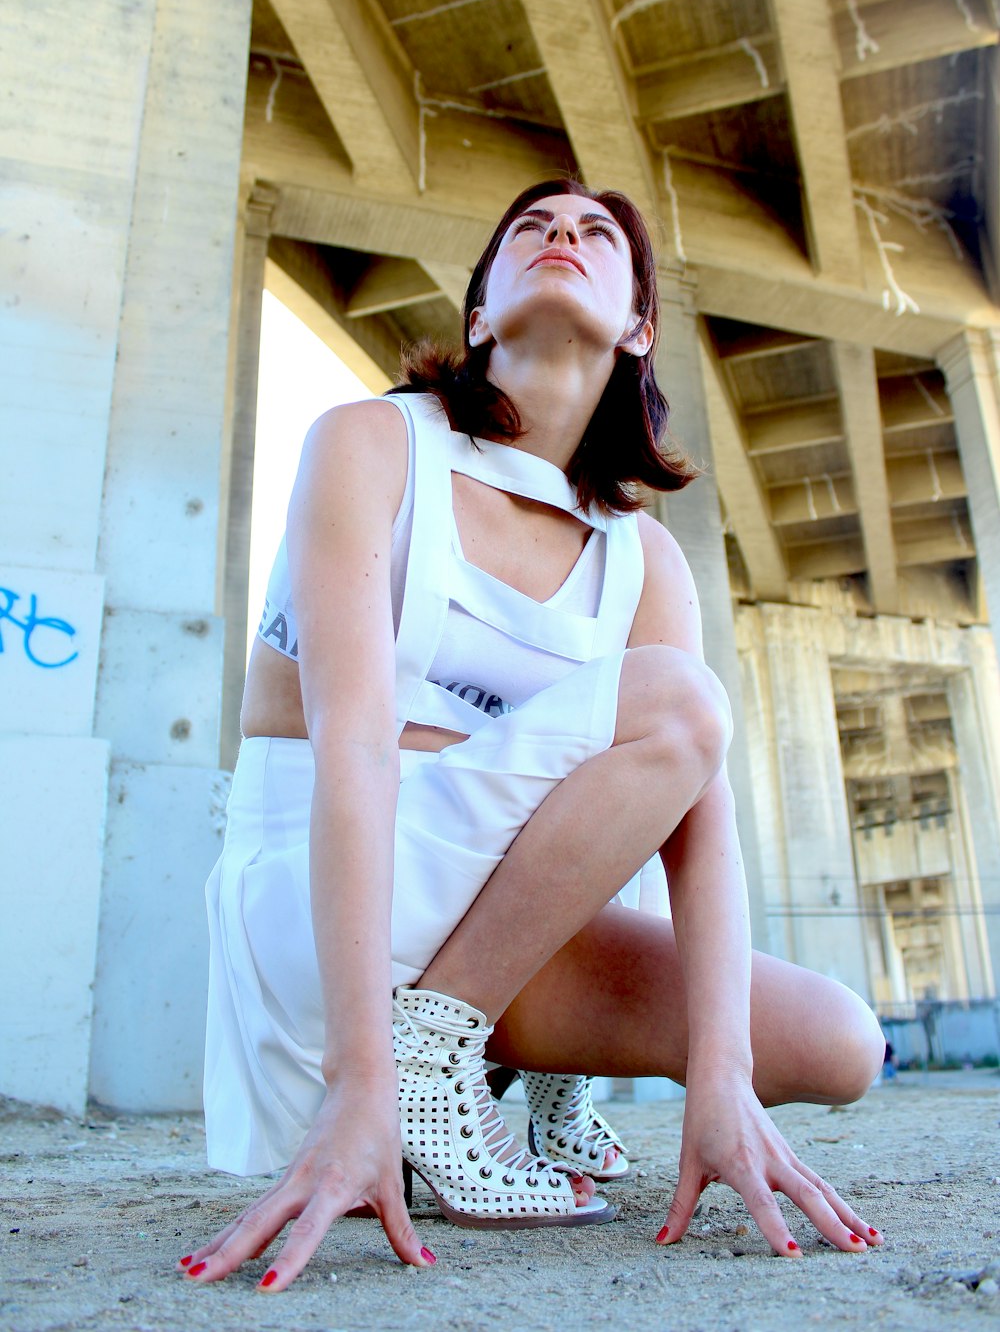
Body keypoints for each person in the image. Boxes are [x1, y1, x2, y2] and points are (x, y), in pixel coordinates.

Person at [181, 180, 886, 1292]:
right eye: (531, 228)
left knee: (840, 1043)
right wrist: (362, 1077)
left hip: (489, 929)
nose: (563, 235)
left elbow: (699, 833)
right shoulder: (371, 445)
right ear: (477, 316)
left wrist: (720, 1080)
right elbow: (355, 749)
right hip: (333, 902)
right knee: (677, 699)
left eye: (598, 234)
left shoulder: (642, 556)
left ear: (640, 325)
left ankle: (530, 1080)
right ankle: (419, 1067)